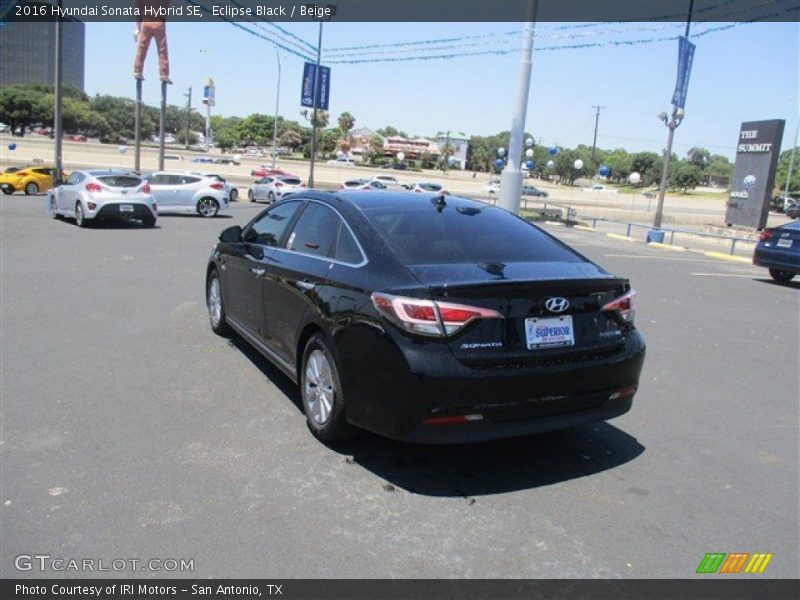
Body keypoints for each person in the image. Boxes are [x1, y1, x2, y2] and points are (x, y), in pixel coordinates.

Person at [133, 0, 172, 83]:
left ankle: (137, 70)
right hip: (159, 21)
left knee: (142, 49)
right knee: (162, 50)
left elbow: (138, 10)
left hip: (146, 22)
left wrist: (138, 28)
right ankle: (163, 73)